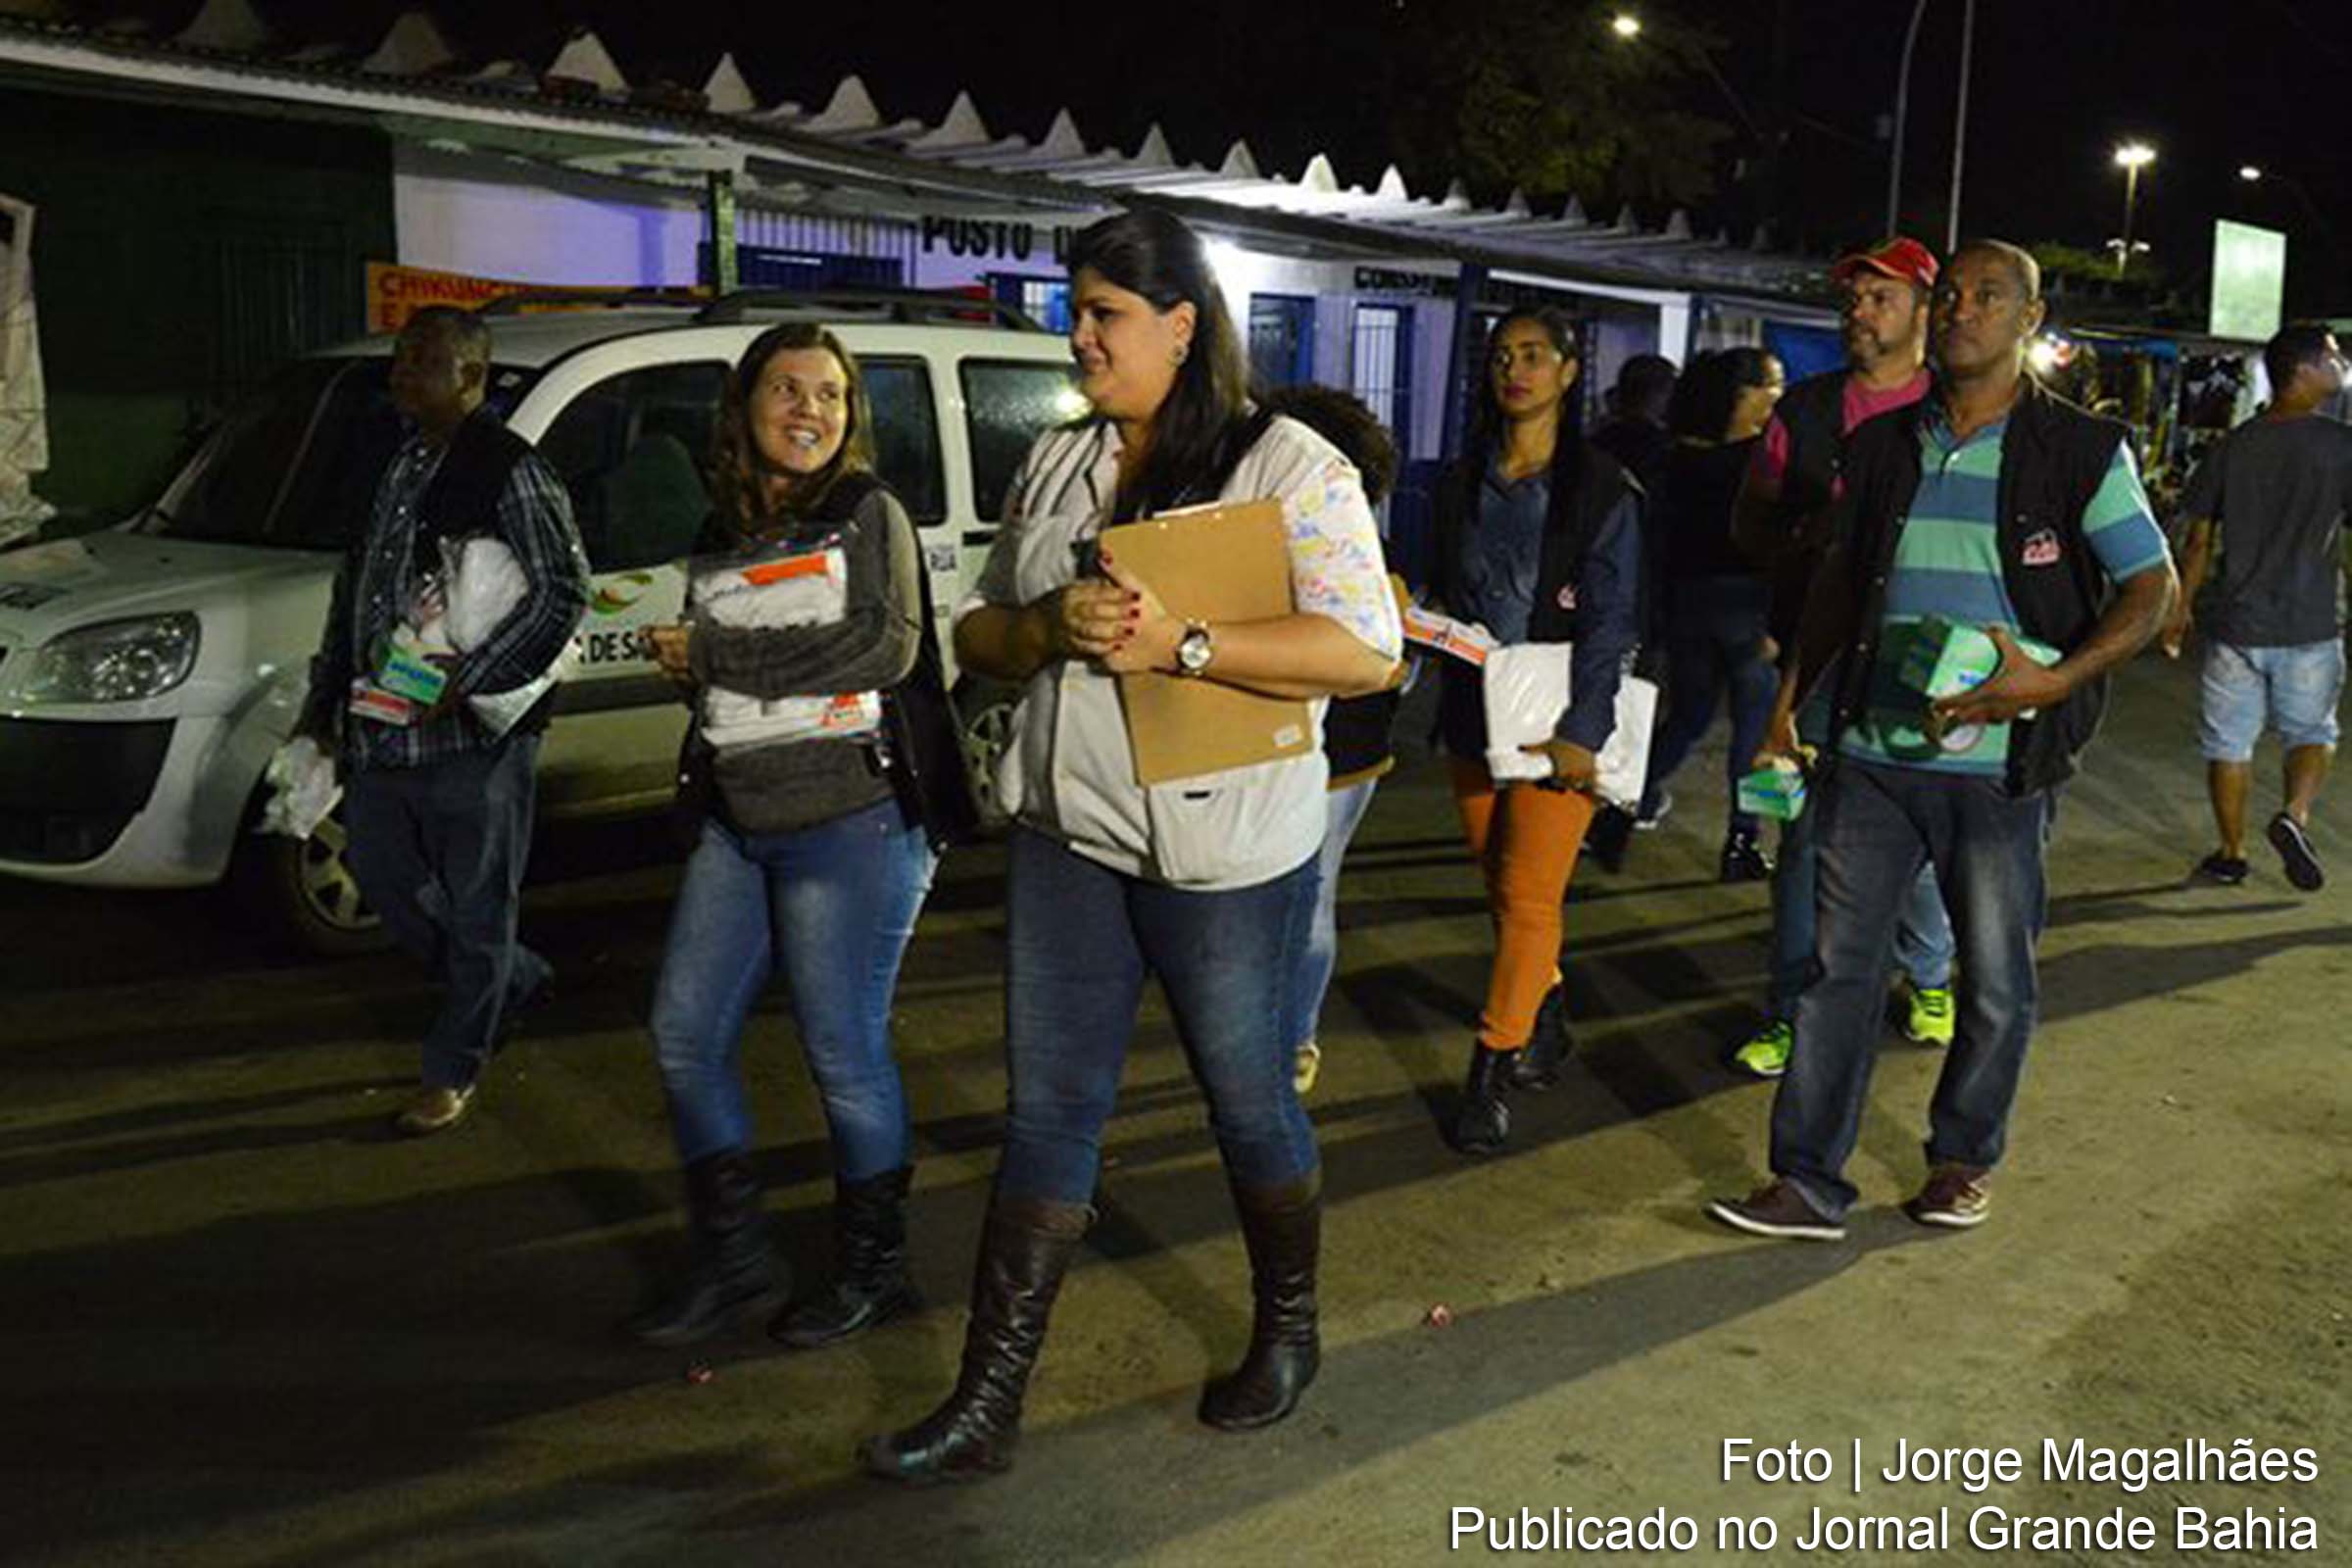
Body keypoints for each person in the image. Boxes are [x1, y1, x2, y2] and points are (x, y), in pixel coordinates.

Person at [858, 210, 1401, 1485]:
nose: (1079, 335)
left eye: (1103, 313)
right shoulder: (1056, 464)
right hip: (1067, 839)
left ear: (1182, 325)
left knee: (1246, 1098)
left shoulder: (1290, 467)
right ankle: (988, 1403)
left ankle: (1290, 1332)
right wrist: (1048, 624)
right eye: (1076, 309)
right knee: (1047, 1115)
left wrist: (1186, 646)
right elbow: (978, 641)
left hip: (1225, 859)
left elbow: (1365, 649)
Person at [1707, 240, 2177, 1241]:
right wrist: (1792, 703)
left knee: (1995, 976)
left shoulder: (2081, 450)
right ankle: (1807, 1182)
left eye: (1988, 296)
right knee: (1836, 970)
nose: (1964, 309)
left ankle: (1962, 1160)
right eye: (1952, 294)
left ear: (2030, 320)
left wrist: (2052, 681)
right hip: (1869, 758)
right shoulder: (1880, 449)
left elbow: (2151, 589)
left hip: (1999, 769)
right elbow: (1838, 584)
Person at [622, 323, 974, 1351]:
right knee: (683, 1035)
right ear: (745, 407)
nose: (808, 410)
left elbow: (884, 642)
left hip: (853, 824)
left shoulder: (871, 512)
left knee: (843, 1051)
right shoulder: (719, 522)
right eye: (786, 388)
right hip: (739, 817)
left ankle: (877, 1269)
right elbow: (734, 675)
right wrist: (692, 669)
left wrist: (719, 652)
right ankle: (735, 1262)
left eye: (829, 394)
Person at [297, 306, 587, 1137]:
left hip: (475, 739)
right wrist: (328, 704)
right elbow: (359, 593)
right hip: (387, 723)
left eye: (420, 361)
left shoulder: (510, 470)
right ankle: (513, 978)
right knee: (389, 884)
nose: (400, 374)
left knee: (478, 905)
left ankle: (453, 1066)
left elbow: (564, 591)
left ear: (471, 377)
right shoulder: (400, 465)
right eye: (398, 358)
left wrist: (473, 680)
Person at [1724, 237, 1959, 1079]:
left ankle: (1930, 977)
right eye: (1854, 299)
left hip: (1922, 665)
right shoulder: (1807, 410)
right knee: (1801, 846)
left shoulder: (1956, 410)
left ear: (1926, 313)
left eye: (1880, 299)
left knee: (1925, 840)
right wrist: (1798, 556)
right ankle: (1789, 1013)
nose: (1859, 313)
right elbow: (1750, 516)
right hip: (1810, 669)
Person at [1429, 306, 1642, 1155]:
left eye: (1531, 355)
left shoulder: (1602, 490)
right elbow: (1450, 593)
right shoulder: (1457, 480)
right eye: (1500, 357)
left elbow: (1613, 619)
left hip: (1559, 716)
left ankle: (1491, 1066)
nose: (1513, 370)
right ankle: (1545, 1010)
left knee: (1527, 897)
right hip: (1473, 711)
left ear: (1565, 370)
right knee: (1501, 887)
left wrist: (1584, 730)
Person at [1252, 383, 1404, 1096]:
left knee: (1309, 899)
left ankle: (1292, 1041)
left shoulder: (1352, 537)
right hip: (1288, 740)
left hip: (1340, 753)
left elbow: (1384, 657)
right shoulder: (1259, 523)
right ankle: (1272, 1035)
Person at [2164, 322, 2350, 892]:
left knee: (2227, 743)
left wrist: (2179, 609)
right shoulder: (2343, 445)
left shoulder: (2233, 446)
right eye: (2335, 357)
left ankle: (2232, 853)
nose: (2342, 367)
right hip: (2310, 623)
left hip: (2235, 626)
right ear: (2305, 368)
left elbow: (2198, 540)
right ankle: (2293, 816)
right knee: (2311, 732)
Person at [1635, 348, 1787, 882]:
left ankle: (1627, 798)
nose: (1779, 395)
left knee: (1690, 716)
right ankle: (1743, 839)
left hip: (1688, 603)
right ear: (1742, 395)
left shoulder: (1675, 459)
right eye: (1773, 384)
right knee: (1757, 728)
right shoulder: (1761, 460)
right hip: (1749, 604)